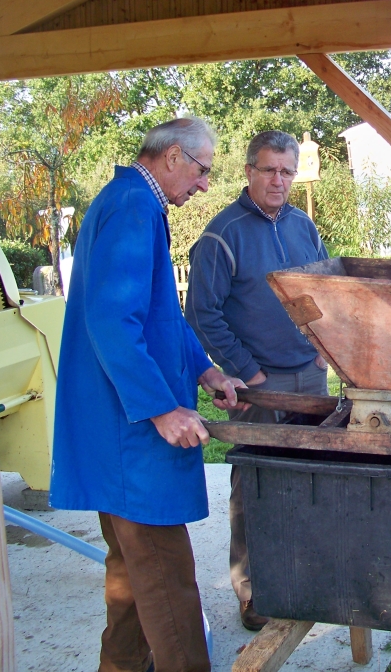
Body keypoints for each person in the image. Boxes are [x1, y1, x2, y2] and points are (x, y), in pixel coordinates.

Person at [50, 117, 245, 672]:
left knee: (131, 579)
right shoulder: (134, 206)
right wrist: (162, 408)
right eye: (202, 171)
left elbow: (158, 316)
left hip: (120, 433)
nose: (205, 184)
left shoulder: (133, 201)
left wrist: (205, 371)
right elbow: (112, 320)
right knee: (166, 581)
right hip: (130, 434)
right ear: (173, 157)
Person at [185, 130, 329, 631]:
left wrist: (323, 348)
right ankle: (254, 591)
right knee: (256, 487)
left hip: (311, 377)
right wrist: (249, 372)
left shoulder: (303, 226)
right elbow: (201, 313)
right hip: (260, 382)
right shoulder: (221, 233)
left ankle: (308, 579)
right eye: (269, 169)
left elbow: (324, 288)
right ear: (248, 171)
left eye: (287, 171)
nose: (278, 180)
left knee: (315, 478)